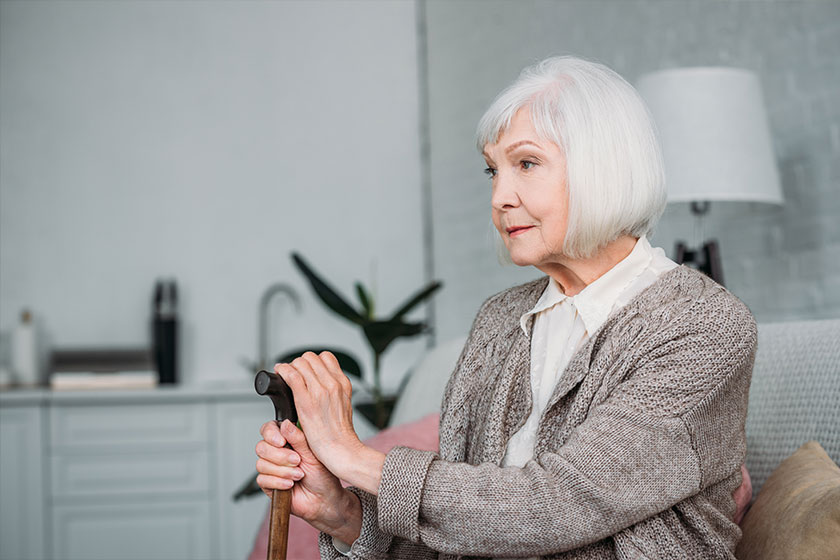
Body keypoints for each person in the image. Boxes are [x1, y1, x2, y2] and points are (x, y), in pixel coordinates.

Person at [255, 55, 757, 559]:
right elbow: (458, 539)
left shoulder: (704, 326)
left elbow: (557, 507)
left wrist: (354, 458)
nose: (500, 196)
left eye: (527, 164)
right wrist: (341, 513)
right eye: (493, 170)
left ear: (603, 165)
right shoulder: (499, 322)